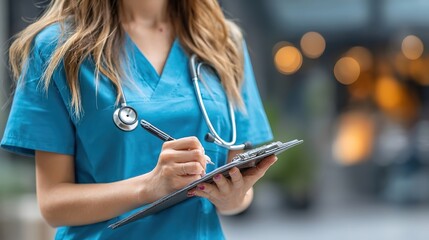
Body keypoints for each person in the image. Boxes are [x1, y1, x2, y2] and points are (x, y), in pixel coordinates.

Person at [1, 0, 275, 239]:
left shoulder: (223, 44)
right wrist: (150, 186)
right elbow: (53, 204)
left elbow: (238, 192)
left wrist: (232, 197)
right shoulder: (57, 49)